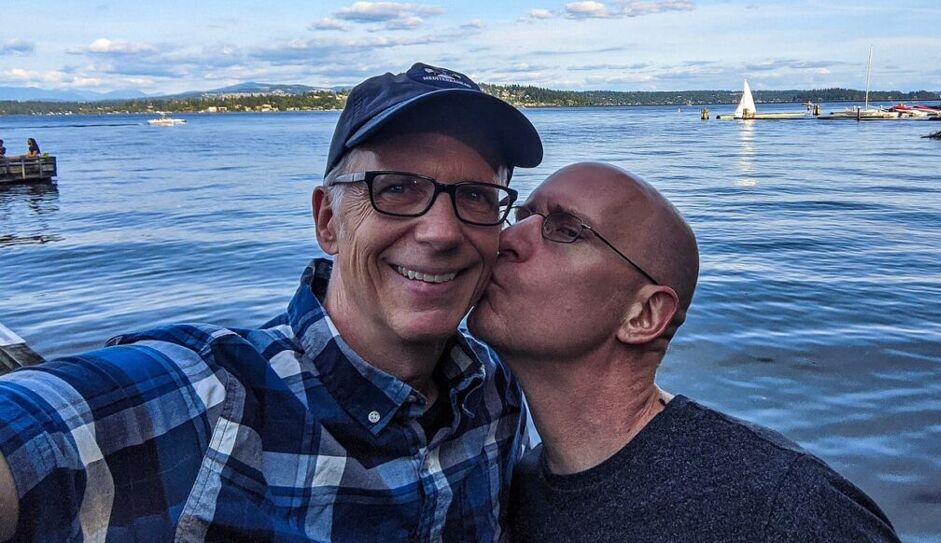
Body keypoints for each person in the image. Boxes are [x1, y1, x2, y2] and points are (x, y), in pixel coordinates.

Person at [0, 62, 542, 541]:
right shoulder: (219, 399)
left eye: (476, 196)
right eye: (396, 188)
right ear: (328, 221)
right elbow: (37, 430)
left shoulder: (495, 394)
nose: (442, 232)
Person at [468, 162, 900, 542]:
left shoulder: (782, 504)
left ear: (644, 315)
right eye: (522, 215)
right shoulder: (518, 485)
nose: (506, 239)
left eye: (564, 230)